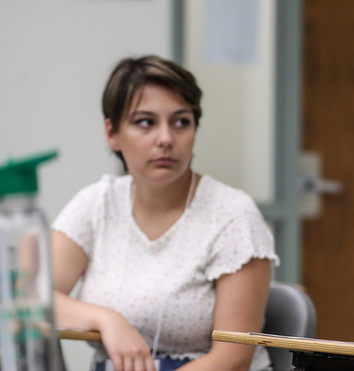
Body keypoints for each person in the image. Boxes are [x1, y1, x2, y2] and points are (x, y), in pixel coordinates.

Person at [51, 55, 279, 371]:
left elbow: (233, 359)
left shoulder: (233, 215)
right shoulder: (97, 204)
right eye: (145, 122)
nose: (166, 139)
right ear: (112, 133)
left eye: (181, 122)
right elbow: (30, 300)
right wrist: (106, 319)